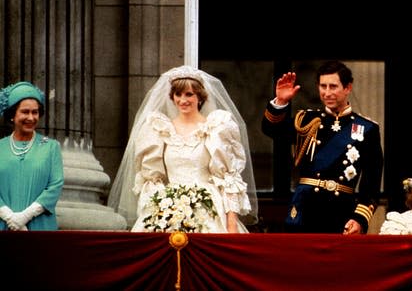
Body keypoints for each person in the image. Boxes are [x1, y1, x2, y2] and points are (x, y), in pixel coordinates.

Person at [107, 65, 258, 233]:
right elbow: (151, 180)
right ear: (172, 97)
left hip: (209, 209)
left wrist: (231, 226)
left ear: (200, 97)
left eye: (189, 94)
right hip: (168, 208)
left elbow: (228, 180)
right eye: (178, 94)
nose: (182, 100)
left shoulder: (216, 128)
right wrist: (156, 212)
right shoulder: (159, 129)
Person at [262, 60, 384, 234]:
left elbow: (371, 182)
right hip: (305, 209)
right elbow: (271, 130)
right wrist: (280, 102)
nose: (327, 93)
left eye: (333, 86)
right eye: (323, 86)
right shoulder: (306, 120)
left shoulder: (367, 129)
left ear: (348, 88)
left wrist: (359, 219)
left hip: (341, 211)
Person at [0, 81, 64, 231]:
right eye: (25, 112)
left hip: (40, 227)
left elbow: (55, 185)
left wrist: (25, 216)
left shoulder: (51, 147)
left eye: (35, 112)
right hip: (3, 225)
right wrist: (10, 217)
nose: (31, 117)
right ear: (12, 115)